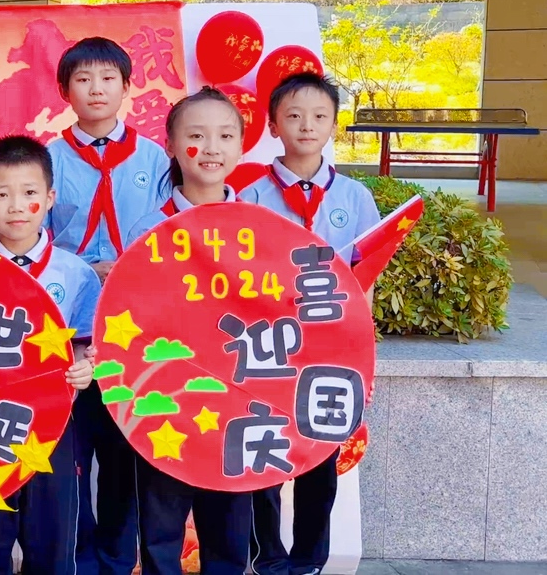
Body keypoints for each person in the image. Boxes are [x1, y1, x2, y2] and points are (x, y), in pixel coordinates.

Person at [240, 72, 380, 575]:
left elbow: (367, 276)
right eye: (294, 115)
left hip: (329, 347)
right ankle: (267, 556)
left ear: (334, 125)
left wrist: (358, 346)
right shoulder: (250, 197)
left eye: (320, 116)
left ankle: (309, 559)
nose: (307, 125)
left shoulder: (356, 198)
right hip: (268, 347)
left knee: (320, 455)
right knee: (264, 451)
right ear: (272, 125)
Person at [46, 37, 167, 574]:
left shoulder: (155, 158)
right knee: (69, 454)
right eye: (83, 79)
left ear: (126, 86)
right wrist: (81, 270)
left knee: (123, 453)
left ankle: (118, 559)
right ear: (64, 90)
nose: (96, 89)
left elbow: (168, 237)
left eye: (108, 78)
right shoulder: (47, 159)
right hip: (67, 326)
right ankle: (77, 558)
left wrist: (127, 270)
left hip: (132, 328)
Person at [125, 86, 256, 575]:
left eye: (226, 135)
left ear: (241, 145)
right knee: (161, 525)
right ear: (172, 146)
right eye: (197, 135)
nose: (212, 147)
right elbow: (131, 321)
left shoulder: (262, 229)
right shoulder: (148, 230)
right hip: (166, 401)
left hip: (238, 399)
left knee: (229, 526)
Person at [0, 135, 99, 575]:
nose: (16, 207)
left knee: (53, 537)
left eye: (29, 193)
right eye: (1, 195)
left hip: (53, 423)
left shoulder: (75, 273)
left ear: (49, 198)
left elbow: (83, 341)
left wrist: (84, 365)